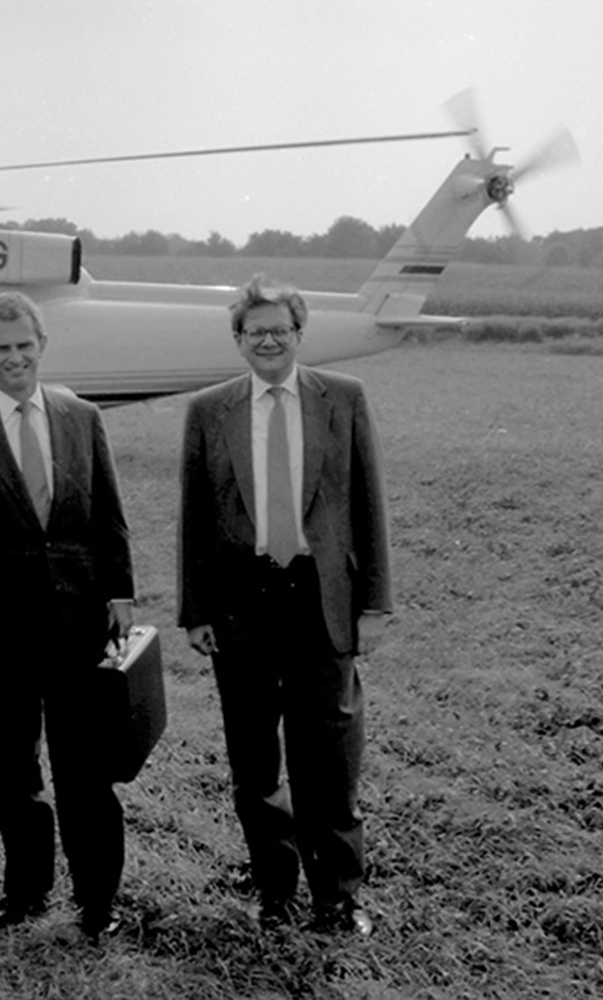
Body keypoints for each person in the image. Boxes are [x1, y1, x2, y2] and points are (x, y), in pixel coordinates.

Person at [177, 275, 392, 937]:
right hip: (241, 607)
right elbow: (195, 519)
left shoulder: (344, 399)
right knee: (253, 761)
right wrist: (197, 611)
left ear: (299, 336)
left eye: (280, 330)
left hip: (320, 600)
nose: (268, 340)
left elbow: (368, 506)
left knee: (327, 756)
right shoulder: (210, 410)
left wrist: (375, 604)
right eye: (254, 331)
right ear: (238, 340)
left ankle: (338, 895)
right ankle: (274, 888)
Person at [0, 291, 137, 941]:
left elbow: (108, 514)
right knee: (17, 772)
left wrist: (120, 593)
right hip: (0, 629)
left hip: (79, 622)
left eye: (24, 346)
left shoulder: (81, 417)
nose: (14, 358)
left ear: (41, 346)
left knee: (85, 771)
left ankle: (98, 898)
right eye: (1, 348)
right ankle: (26, 890)